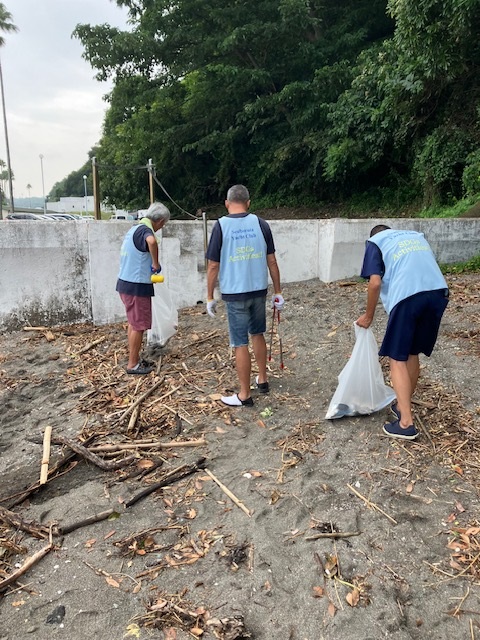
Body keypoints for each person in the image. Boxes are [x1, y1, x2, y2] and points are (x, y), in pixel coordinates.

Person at [357, 225, 449, 440]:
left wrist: (369, 316)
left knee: (396, 358)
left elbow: (375, 283)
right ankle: (402, 405)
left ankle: (406, 423)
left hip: (408, 297)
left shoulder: (376, 242)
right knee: (412, 352)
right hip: (438, 294)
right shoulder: (414, 236)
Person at [206, 184, 283, 406]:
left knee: (240, 343)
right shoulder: (261, 224)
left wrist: (210, 296)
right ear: (248, 203)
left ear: (227, 203)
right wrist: (278, 291)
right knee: (257, 334)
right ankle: (263, 379)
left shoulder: (221, 226)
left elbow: (213, 266)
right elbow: (272, 260)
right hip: (258, 290)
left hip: (234, 293)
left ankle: (244, 394)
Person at [116, 202, 170, 374]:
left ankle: (135, 359)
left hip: (126, 283)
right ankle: (132, 364)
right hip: (136, 286)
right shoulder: (145, 232)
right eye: (163, 224)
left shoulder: (134, 229)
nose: (162, 227)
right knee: (138, 325)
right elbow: (152, 242)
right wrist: (155, 263)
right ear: (160, 221)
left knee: (134, 324)